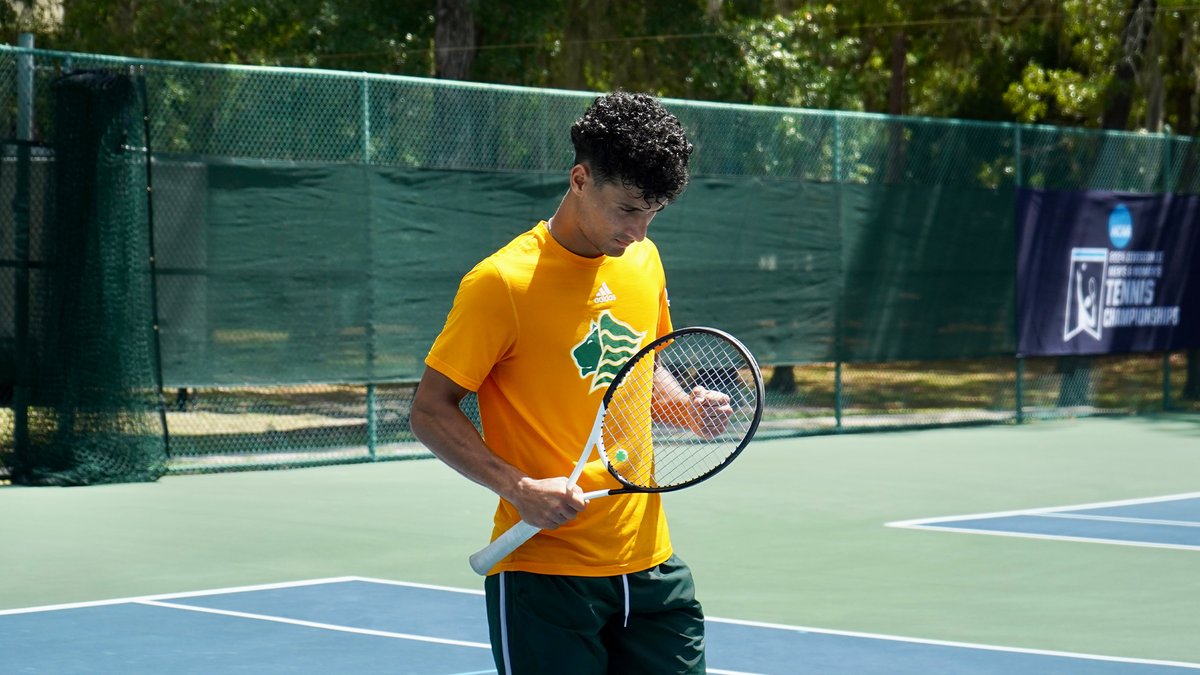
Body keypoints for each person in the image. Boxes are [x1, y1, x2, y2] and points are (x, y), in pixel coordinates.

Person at [410, 91, 709, 674]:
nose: (640, 231)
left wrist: (687, 407)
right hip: (544, 578)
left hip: (651, 567)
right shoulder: (501, 284)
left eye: (653, 213)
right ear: (579, 179)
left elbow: (637, 374)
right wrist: (519, 487)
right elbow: (430, 410)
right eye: (627, 210)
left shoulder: (644, 261)